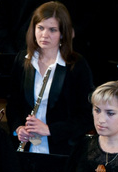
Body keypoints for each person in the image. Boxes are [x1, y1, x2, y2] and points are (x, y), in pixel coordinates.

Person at [6, 1, 93, 155]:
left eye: (52, 30)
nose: (44, 35)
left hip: (63, 151)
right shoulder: (22, 60)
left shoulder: (76, 65)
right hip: (28, 148)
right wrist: (18, 128)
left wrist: (50, 129)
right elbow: (13, 104)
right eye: (40, 28)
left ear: (63, 34)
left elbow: (87, 116)